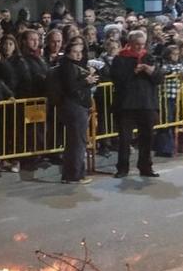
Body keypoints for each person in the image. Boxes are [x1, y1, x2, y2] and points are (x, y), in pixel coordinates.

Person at [106, 30, 165, 179]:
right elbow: (117, 79)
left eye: (142, 44)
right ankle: (122, 168)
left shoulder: (149, 57)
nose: (140, 47)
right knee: (125, 139)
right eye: (137, 44)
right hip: (126, 105)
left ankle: (145, 166)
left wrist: (149, 70)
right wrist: (134, 71)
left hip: (147, 104)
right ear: (130, 43)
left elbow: (159, 78)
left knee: (147, 137)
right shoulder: (120, 58)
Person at [50, 40, 96, 184]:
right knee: (77, 142)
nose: (78, 55)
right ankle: (76, 175)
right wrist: (86, 81)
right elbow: (71, 87)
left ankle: (69, 174)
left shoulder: (73, 66)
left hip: (75, 106)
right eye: (75, 52)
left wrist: (90, 79)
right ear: (68, 52)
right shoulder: (68, 67)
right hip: (75, 107)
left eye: (80, 52)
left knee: (73, 142)